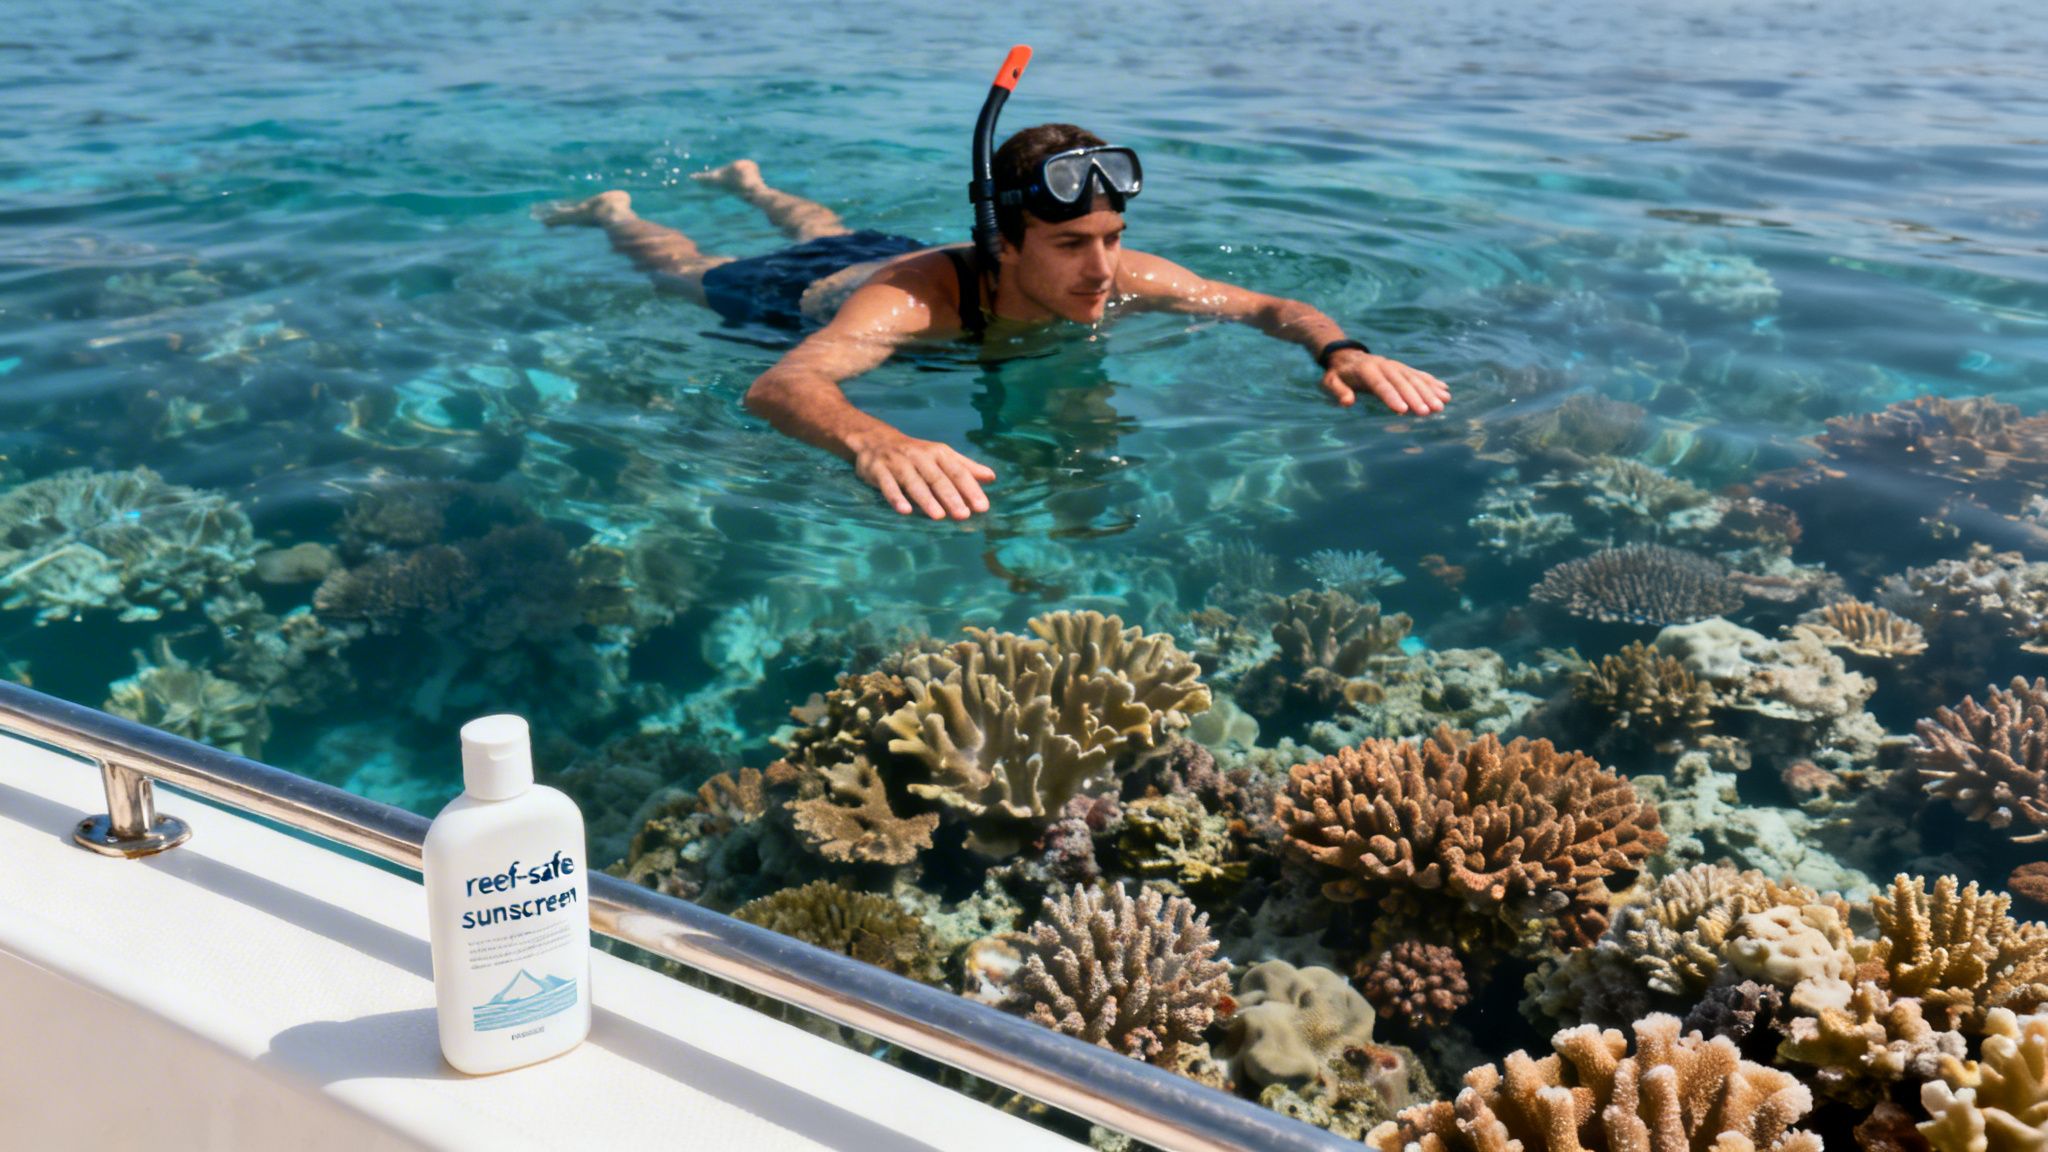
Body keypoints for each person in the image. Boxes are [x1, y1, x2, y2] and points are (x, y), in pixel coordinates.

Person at [540, 123, 1451, 522]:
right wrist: (873, 441)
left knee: (829, 223)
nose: (1101, 271)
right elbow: (781, 382)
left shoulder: (1111, 268)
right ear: (1004, 243)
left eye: (1112, 238)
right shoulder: (915, 302)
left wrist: (1339, 348)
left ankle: (751, 182)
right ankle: (615, 214)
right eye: (1069, 244)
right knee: (690, 272)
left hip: (874, 246)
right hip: (804, 296)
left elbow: (1267, 306)